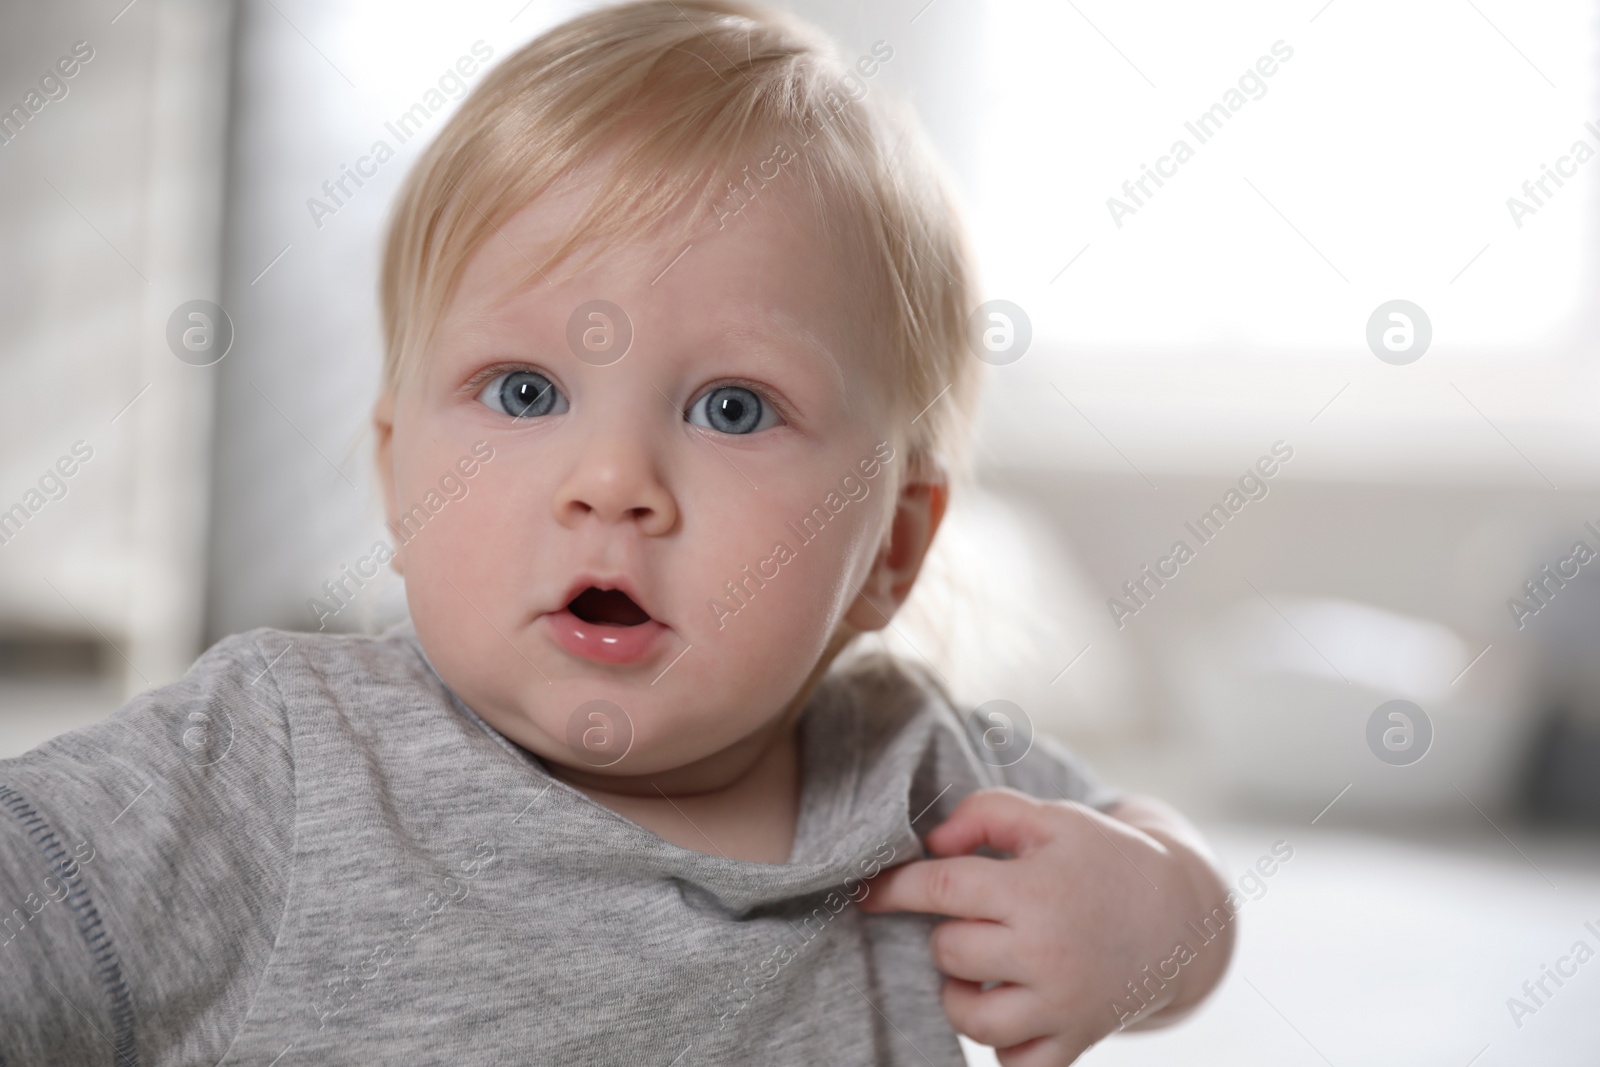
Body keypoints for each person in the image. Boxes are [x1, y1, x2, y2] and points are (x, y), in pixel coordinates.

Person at [0, 3, 1234, 1063]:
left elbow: (1155, 861)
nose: (613, 482)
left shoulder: (911, 765)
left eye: (733, 407)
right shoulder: (275, 755)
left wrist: (1159, 916)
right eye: (525, 392)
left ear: (894, 547)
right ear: (397, 476)